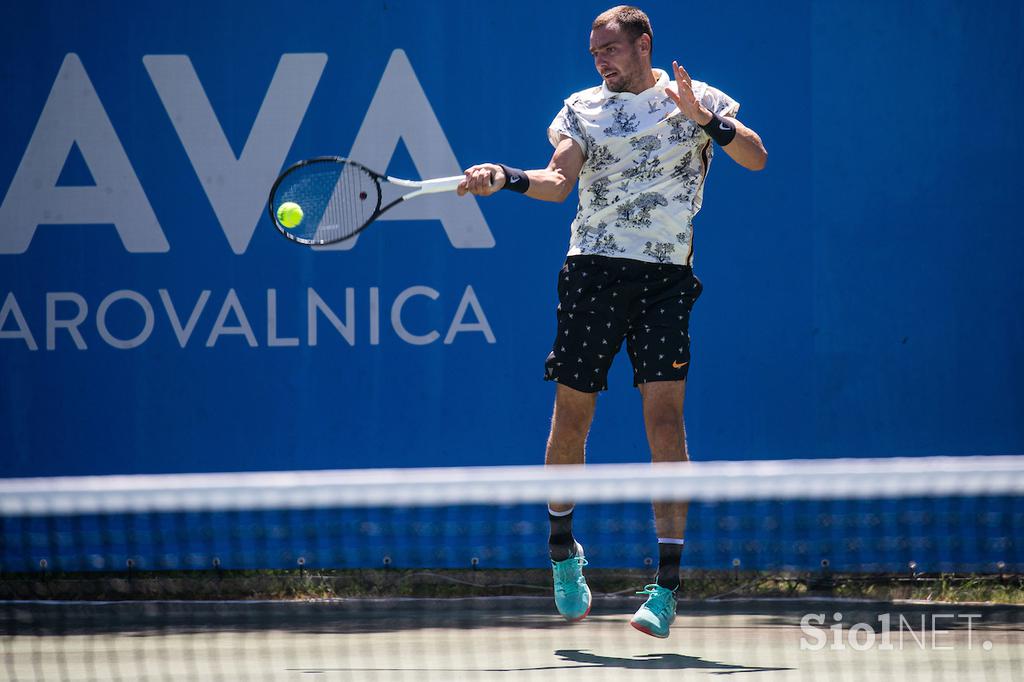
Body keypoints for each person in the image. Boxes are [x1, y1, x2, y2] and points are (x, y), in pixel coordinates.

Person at [457, 5, 767, 638]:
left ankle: (668, 586)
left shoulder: (696, 96)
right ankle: (563, 552)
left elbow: (757, 158)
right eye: (594, 51)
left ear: (643, 43)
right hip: (593, 272)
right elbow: (555, 181)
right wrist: (507, 178)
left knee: (666, 421)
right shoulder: (581, 109)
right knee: (573, 415)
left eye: (610, 49)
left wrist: (704, 121)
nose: (600, 60)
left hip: (665, 280)